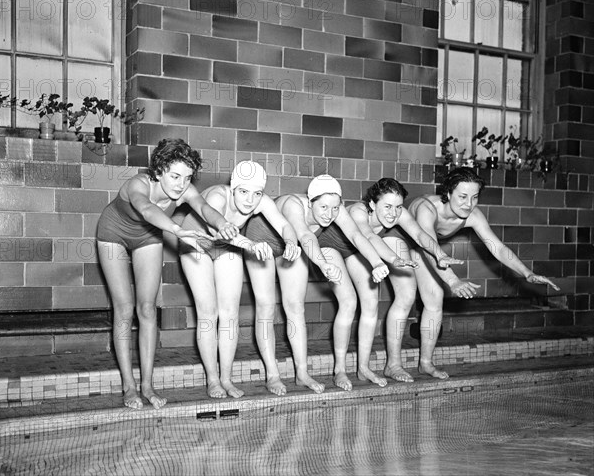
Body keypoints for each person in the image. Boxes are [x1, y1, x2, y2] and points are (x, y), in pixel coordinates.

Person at [96, 138, 239, 410]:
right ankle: (129, 386)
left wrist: (224, 224)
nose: (180, 185)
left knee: (148, 309)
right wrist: (176, 229)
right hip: (113, 234)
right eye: (174, 176)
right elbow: (148, 209)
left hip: (148, 237)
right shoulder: (138, 185)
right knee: (125, 308)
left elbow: (204, 208)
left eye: (186, 178)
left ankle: (147, 385)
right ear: (159, 170)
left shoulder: (184, 190)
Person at [247, 174, 400, 393]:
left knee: (295, 307)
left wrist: (376, 263)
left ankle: (301, 373)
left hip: (293, 246)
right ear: (311, 203)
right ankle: (272, 375)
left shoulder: (335, 208)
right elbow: (305, 235)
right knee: (265, 307)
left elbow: (357, 236)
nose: (330, 214)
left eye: (335, 208)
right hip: (262, 240)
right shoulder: (294, 205)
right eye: (324, 208)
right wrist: (322, 264)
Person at [408, 167, 560, 379]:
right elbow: (428, 246)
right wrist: (453, 281)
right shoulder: (427, 209)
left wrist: (526, 272)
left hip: (427, 247)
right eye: (462, 197)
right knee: (405, 299)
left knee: (434, 298)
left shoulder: (473, 215)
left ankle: (425, 363)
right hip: (401, 240)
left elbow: (496, 247)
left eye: (474, 197)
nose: (468, 204)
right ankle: (394, 364)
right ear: (448, 193)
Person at [179, 161, 301, 399]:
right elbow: (216, 232)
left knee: (230, 313)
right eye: (244, 192)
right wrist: (251, 244)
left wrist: (291, 242)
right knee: (208, 312)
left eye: (257, 194)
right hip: (195, 244)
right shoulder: (217, 196)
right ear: (233, 188)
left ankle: (226, 377)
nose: (250, 200)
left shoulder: (260, 202)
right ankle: (213, 379)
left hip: (226, 247)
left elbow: (285, 224)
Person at [329, 178, 464, 386]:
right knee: (348, 302)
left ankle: (363, 368)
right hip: (334, 247)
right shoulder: (358, 211)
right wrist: (393, 259)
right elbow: (368, 237)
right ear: (373, 205)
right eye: (388, 206)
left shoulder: (397, 214)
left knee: (371, 302)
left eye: (398, 207)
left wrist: (439, 254)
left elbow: (419, 234)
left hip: (359, 251)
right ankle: (339, 370)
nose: (393, 213)